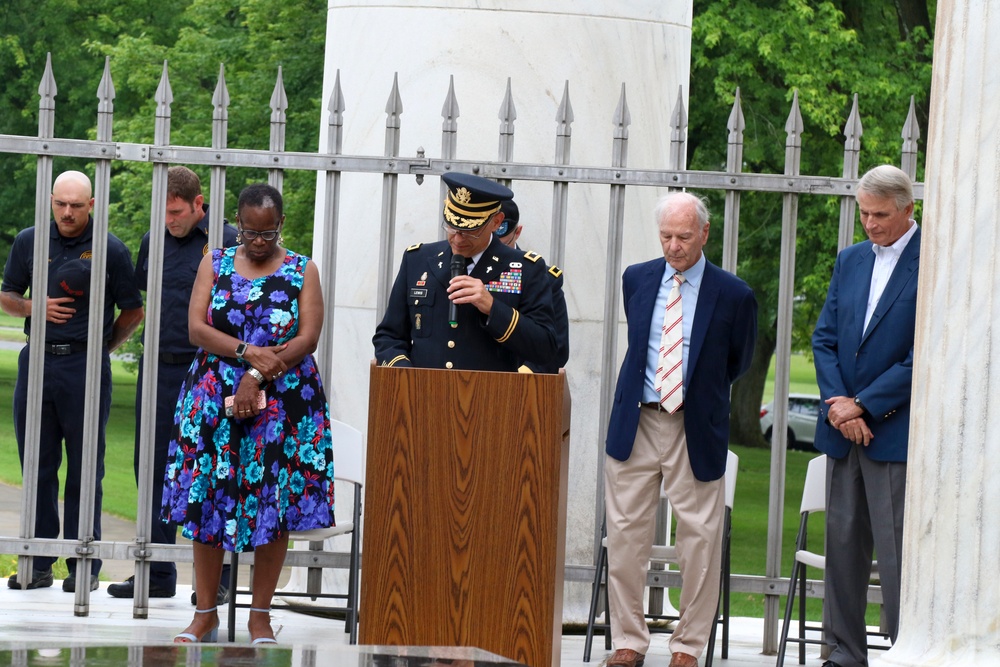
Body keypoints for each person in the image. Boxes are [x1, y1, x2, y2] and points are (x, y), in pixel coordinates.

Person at [160, 183, 335, 644]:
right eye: (250, 233)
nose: (258, 242)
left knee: (272, 506)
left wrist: (255, 375)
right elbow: (197, 328)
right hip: (213, 396)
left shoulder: (302, 270)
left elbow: (307, 337)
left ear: (281, 225)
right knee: (206, 500)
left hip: (282, 399)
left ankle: (260, 616)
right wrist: (246, 351)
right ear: (237, 223)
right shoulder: (213, 263)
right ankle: (205, 613)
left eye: (268, 233)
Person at [603, 192, 757, 667]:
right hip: (637, 422)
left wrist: (697, 395)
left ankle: (688, 646)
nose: (673, 246)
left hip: (694, 427)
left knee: (700, 541)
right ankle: (629, 640)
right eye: (666, 236)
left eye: (684, 237)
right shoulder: (638, 278)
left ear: (704, 234)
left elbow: (738, 361)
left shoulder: (734, 294)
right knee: (626, 538)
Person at [1, 170, 145, 593]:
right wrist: (34, 307)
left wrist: (101, 347)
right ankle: (38, 562)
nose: (67, 212)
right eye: (61, 204)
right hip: (37, 362)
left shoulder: (110, 249)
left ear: (92, 205)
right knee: (37, 464)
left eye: (76, 206)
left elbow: (132, 311)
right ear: (50, 200)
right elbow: (7, 296)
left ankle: (84, 562)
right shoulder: (29, 240)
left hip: (84, 366)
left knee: (86, 467)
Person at [108, 166, 238, 603]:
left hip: (207, 369)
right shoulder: (153, 240)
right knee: (150, 464)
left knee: (214, 468)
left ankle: (217, 582)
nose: (170, 220)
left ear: (199, 204)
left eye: (177, 212)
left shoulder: (226, 240)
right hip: (158, 366)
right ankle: (156, 571)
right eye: (163, 213)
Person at [811, 164, 919, 667]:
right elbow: (825, 338)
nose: (870, 224)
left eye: (880, 215)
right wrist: (840, 407)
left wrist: (868, 404)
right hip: (844, 430)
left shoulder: (933, 262)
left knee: (897, 557)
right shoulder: (851, 260)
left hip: (894, 433)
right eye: (864, 214)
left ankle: (905, 650)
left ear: (907, 210)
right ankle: (843, 654)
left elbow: (925, 353)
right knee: (843, 552)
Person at [373, 172, 559, 371]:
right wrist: (407, 377)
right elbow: (389, 337)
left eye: (471, 230)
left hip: (491, 397)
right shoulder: (417, 260)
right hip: (423, 396)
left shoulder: (526, 268)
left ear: (496, 222)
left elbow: (545, 349)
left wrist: (493, 308)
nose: (458, 239)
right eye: (452, 227)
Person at [495, 198, 569, 373]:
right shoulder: (461, 270)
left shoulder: (543, 278)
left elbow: (557, 348)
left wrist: (518, 378)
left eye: (501, 243)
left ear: (517, 232)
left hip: (519, 387)